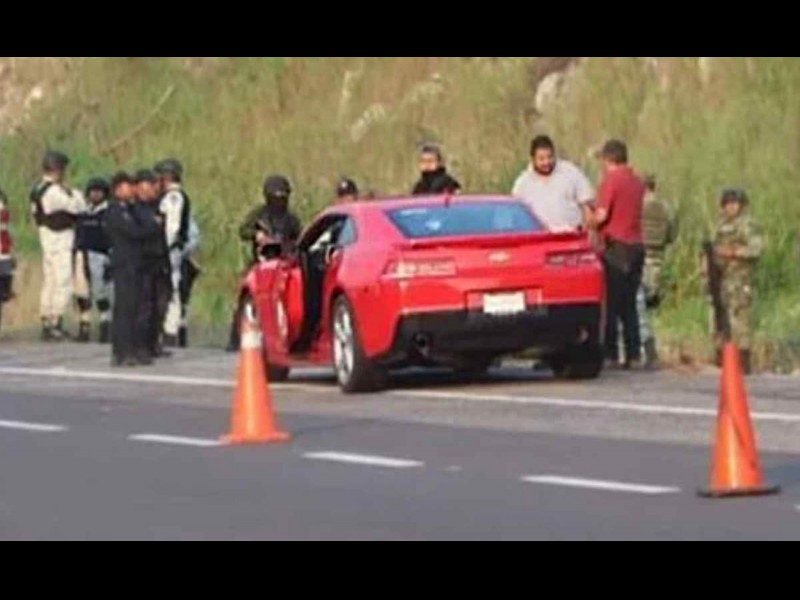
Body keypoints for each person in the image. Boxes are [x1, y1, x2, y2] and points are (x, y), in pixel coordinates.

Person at [226, 174, 302, 352]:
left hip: (283, 264)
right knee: (247, 295)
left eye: (283, 196)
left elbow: (300, 238)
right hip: (260, 262)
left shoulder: (291, 219)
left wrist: (287, 245)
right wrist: (257, 235)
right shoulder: (259, 215)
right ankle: (235, 338)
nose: (279, 200)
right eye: (276, 196)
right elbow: (243, 231)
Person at [589, 139, 646, 369]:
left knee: (611, 303)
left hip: (616, 246)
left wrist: (589, 222)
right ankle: (634, 354)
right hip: (637, 246)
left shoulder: (611, 181)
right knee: (629, 304)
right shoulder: (637, 182)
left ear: (608, 159)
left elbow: (602, 215)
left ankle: (610, 354)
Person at [105, 172, 161, 367]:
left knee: (134, 307)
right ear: (118, 189)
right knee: (124, 308)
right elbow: (134, 232)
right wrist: (153, 226)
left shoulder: (130, 209)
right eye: (127, 186)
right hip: (124, 264)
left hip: (135, 264)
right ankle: (121, 350)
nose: (131, 190)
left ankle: (131, 349)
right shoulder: (115, 211)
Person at [31, 151, 85, 341]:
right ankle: (56, 321)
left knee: (50, 281)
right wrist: (74, 193)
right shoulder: (54, 191)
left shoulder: (38, 189)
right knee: (63, 281)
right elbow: (78, 206)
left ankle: (46, 319)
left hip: (46, 237)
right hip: (59, 238)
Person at [707, 188, 762, 374]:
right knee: (719, 319)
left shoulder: (747, 225)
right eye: (728, 204)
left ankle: (743, 361)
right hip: (720, 279)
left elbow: (756, 250)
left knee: (740, 320)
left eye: (734, 203)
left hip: (739, 280)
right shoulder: (720, 225)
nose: (731, 207)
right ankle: (722, 357)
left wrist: (733, 252)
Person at [511, 135, 594, 231]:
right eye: (541, 159)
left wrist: (588, 228)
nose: (546, 162)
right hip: (539, 236)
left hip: (572, 233)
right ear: (533, 159)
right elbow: (516, 215)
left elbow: (587, 204)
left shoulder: (571, 172)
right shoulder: (522, 184)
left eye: (550, 157)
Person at [638, 173, 678, 365]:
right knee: (650, 306)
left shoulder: (637, 206)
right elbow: (672, 235)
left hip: (639, 259)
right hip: (658, 259)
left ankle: (646, 349)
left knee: (639, 307)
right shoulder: (665, 207)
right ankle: (650, 349)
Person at [134, 169, 172, 359]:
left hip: (159, 261)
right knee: (144, 306)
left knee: (159, 305)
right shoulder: (135, 208)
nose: (155, 188)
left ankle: (153, 342)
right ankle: (141, 345)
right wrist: (153, 223)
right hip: (143, 262)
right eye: (151, 184)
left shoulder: (156, 207)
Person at [154, 158, 191, 347]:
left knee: (171, 288)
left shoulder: (173, 197)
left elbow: (172, 226)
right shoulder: (170, 196)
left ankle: (170, 329)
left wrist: (165, 247)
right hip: (169, 249)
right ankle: (168, 328)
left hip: (169, 250)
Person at [74, 178, 113, 343]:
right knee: (82, 292)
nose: (95, 194)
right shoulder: (84, 214)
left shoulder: (109, 213)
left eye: (99, 191)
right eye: (92, 191)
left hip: (101, 256)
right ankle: (84, 325)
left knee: (101, 291)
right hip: (82, 254)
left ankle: (106, 325)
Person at [0, 187, 15, 334]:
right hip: (4, 254)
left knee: (3, 293)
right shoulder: (4, 210)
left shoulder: (3, 210)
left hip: (4, 254)